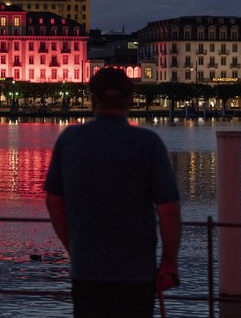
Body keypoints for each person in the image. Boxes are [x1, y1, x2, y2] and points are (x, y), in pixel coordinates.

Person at [44, 68, 182, 318]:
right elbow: (169, 210)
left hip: (86, 270)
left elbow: (54, 202)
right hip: (136, 273)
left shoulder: (70, 139)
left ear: (92, 98)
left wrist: (74, 248)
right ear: (130, 99)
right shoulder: (148, 143)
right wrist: (169, 262)